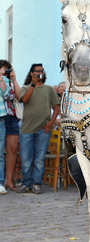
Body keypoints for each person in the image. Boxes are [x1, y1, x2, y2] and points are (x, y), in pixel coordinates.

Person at [17, 64, 60, 194]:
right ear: (31, 73)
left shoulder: (49, 89)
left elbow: (56, 107)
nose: (39, 73)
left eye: (41, 71)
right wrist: (33, 84)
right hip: (27, 129)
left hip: (43, 129)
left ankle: (36, 184)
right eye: (37, 71)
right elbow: (24, 100)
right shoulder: (25, 88)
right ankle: (26, 184)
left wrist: (51, 123)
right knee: (25, 159)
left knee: (39, 158)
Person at [0, 60, 21, 191]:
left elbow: (18, 96)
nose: (5, 72)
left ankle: (8, 180)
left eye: (7, 69)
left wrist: (14, 79)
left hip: (11, 117)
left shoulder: (9, 81)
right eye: (3, 69)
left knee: (12, 149)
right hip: (2, 115)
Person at [0, 64, 10, 194]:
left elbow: (6, 94)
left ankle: (0, 183)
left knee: (0, 154)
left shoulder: (4, 79)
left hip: (0, 119)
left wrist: (0, 77)